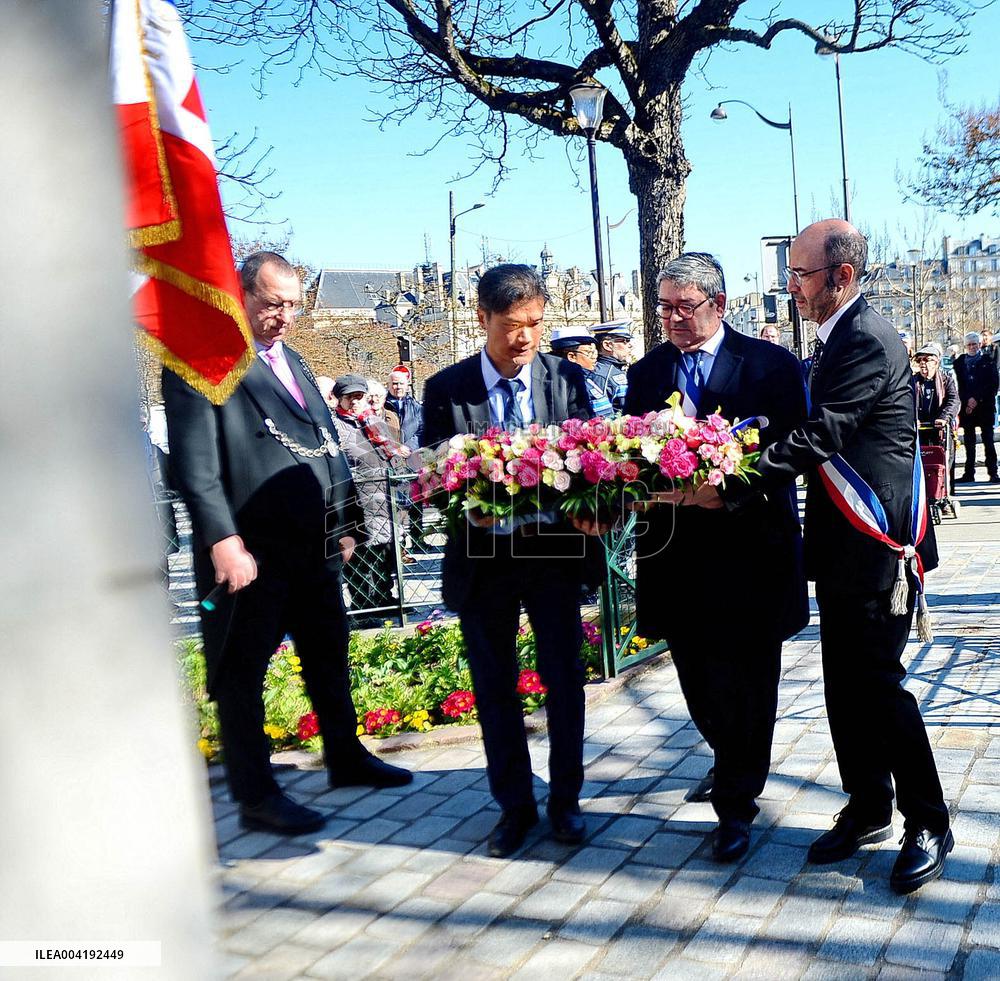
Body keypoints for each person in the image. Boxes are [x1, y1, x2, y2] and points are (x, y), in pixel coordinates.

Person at [705, 220, 950, 894]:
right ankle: (869, 803)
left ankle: (928, 818)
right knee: (844, 685)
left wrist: (731, 477)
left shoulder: (865, 337)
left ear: (840, 277)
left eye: (801, 274)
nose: (792, 285)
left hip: (878, 542)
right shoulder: (837, 336)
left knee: (877, 682)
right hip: (843, 542)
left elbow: (826, 432)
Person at [163, 251, 411, 837]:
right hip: (248, 550)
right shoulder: (202, 361)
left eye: (294, 304)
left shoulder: (292, 360)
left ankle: (346, 756)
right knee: (241, 671)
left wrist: (346, 520)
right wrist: (222, 539)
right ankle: (256, 793)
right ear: (239, 294)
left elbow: (324, 438)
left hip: (314, 546)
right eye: (273, 303)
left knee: (329, 652)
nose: (286, 317)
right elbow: (195, 468)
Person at [624, 252, 808, 863]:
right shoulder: (648, 373)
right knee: (698, 681)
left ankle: (736, 802)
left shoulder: (769, 365)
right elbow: (632, 448)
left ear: (719, 304)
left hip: (751, 553)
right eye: (664, 308)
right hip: (677, 557)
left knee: (750, 685)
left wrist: (723, 490)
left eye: (686, 307)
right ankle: (730, 757)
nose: (673, 319)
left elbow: (793, 453)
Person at [421, 264, 605, 858]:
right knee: (494, 687)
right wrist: (461, 507)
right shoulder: (447, 389)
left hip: (553, 556)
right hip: (484, 561)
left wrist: (593, 506)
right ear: (482, 319)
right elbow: (431, 472)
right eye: (511, 325)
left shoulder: (565, 379)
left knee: (564, 681)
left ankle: (566, 802)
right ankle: (514, 807)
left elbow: (593, 457)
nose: (525, 337)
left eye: (535, 323)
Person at [331, 373, 410, 610]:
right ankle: (364, 606)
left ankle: (385, 597)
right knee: (360, 558)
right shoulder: (335, 427)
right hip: (355, 503)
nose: (355, 402)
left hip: (384, 501)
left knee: (386, 554)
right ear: (339, 400)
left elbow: (392, 455)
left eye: (359, 397)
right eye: (349, 398)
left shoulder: (374, 422)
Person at [954, 331, 999, 483]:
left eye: (975, 344)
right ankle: (969, 472)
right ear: (965, 346)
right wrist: (967, 401)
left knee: (988, 440)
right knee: (969, 442)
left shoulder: (988, 360)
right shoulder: (960, 362)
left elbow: (993, 384)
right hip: (968, 407)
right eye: (969, 345)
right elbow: (958, 385)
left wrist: (976, 399)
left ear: (979, 345)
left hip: (984, 405)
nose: (972, 347)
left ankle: (993, 472)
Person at [549, 324, 612, 417]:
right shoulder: (562, 385)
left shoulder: (589, 379)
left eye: (594, 352)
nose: (595, 357)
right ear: (572, 356)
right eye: (589, 352)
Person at [913, 343, 960, 431]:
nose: (922, 363)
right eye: (919, 360)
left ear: (936, 363)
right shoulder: (912, 382)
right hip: (918, 429)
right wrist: (913, 418)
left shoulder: (946, 381)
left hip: (940, 427)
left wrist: (944, 417)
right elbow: (906, 403)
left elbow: (954, 401)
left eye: (927, 359)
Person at [590, 320, 633, 415]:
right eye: (625, 341)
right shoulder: (602, 375)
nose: (630, 345)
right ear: (607, 345)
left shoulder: (614, 370)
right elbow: (601, 415)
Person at [385, 365, 424, 448]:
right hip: (387, 455)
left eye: (401, 384)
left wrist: (408, 447)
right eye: (395, 383)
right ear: (388, 385)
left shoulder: (416, 408)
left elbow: (423, 430)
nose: (399, 387)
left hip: (411, 455)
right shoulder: (381, 406)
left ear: (406, 386)